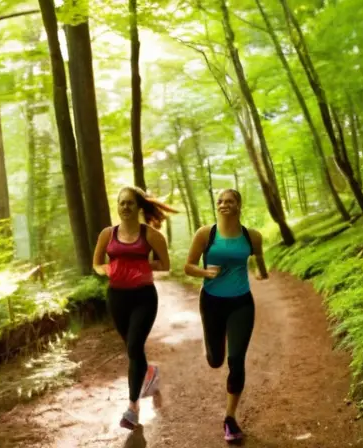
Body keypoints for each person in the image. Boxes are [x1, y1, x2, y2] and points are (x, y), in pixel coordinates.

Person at [183, 188, 269, 443]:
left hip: (242, 303)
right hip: (211, 302)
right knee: (215, 360)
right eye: (220, 201)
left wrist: (261, 272)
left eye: (229, 201)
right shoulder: (205, 234)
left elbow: (260, 262)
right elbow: (188, 267)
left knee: (236, 359)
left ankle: (230, 418)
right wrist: (205, 274)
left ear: (239, 205)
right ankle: (210, 343)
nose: (224, 204)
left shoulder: (252, 236)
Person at [92, 186, 177, 430]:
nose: (125, 207)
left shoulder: (150, 235)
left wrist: (142, 265)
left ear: (139, 207)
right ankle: (149, 372)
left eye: (130, 203)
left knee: (134, 346)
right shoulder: (107, 234)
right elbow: (97, 263)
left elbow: (165, 264)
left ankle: (132, 408)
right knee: (133, 351)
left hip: (143, 297)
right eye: (121, 203)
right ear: (117, 207)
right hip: (117, 297)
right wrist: (108, 269)